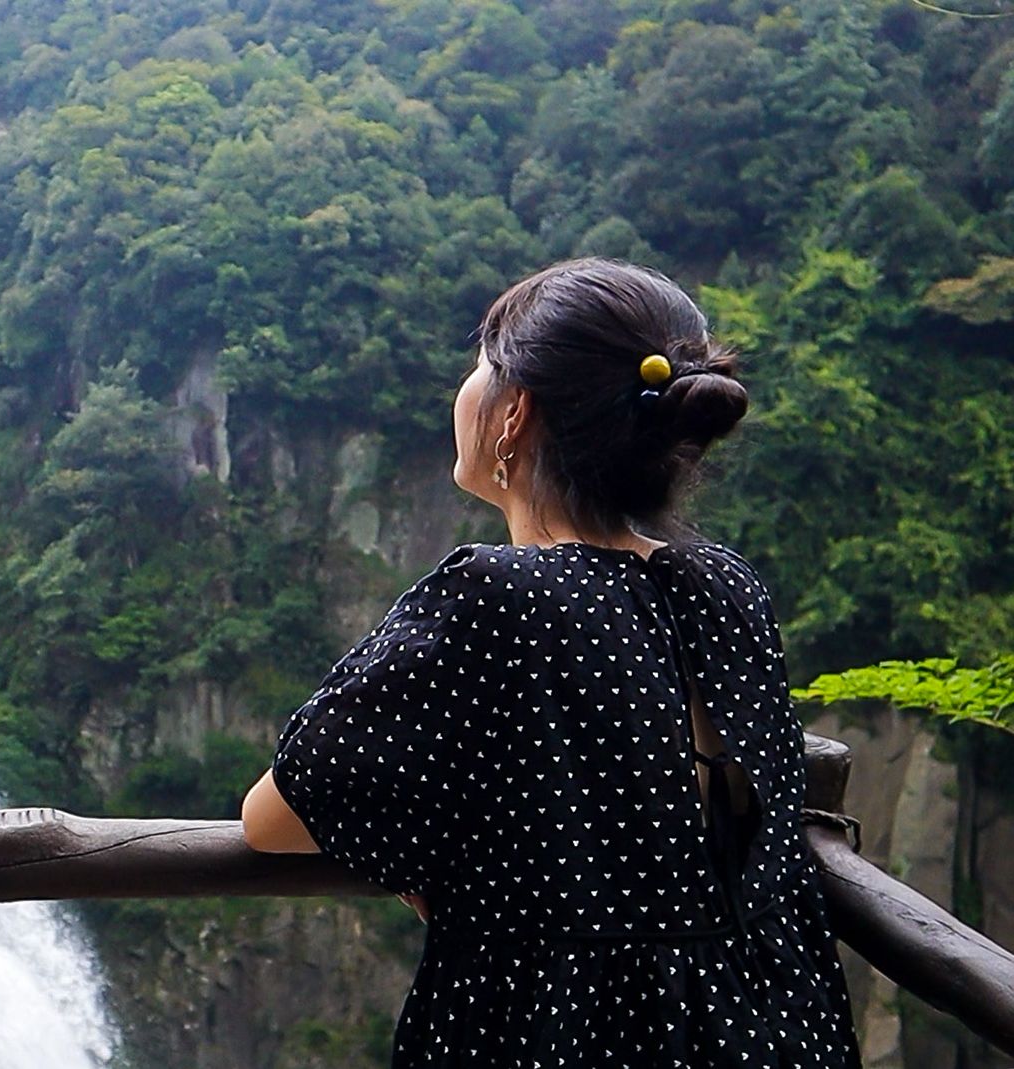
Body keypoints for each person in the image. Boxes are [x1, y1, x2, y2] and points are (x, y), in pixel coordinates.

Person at [241, 257, 863, 1067]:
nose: (463, 388)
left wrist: (444, 848)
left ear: (512, 414)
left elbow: (277, 815)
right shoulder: (726, 585)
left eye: (479, 366)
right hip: (769, 1022)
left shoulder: (495, 594)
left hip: (568, 1029)